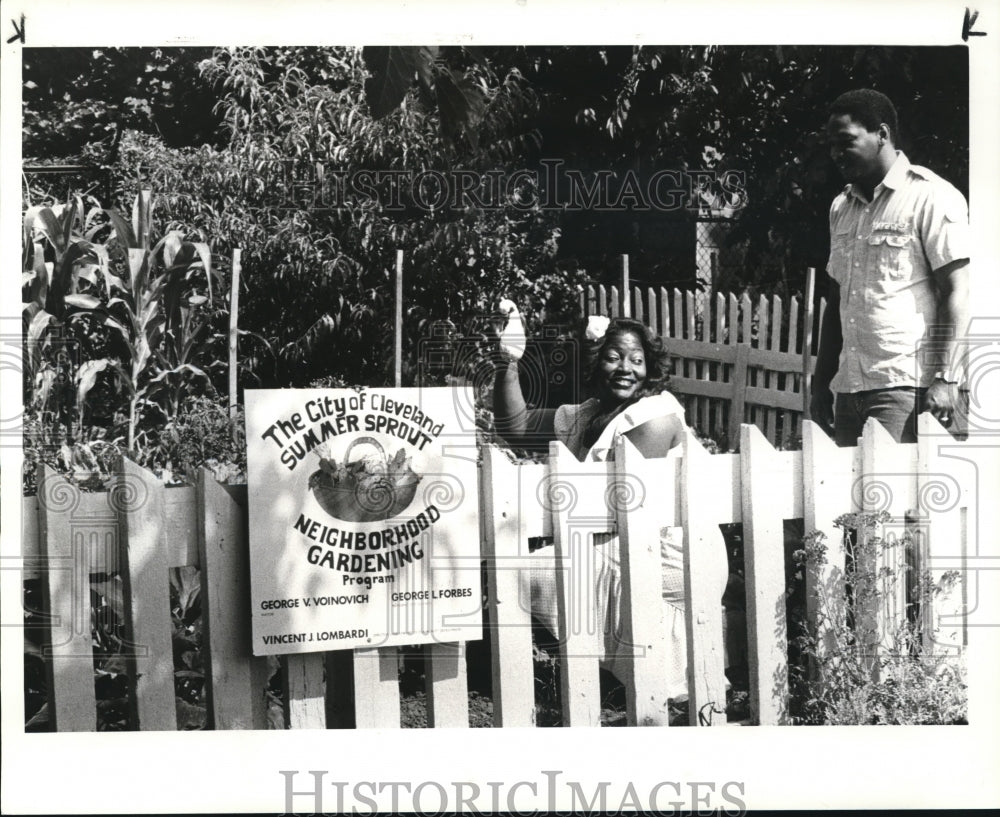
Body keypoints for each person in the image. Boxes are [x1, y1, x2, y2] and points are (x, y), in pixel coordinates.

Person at [491, 303, 729, 698]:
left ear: (651, 372)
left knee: (525, 569)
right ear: (595, 362)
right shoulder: (589, 413)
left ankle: (578, 674)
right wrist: (508, 363)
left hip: (675, 560)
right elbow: (513, 428)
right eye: (613, 357)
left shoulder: (654, 416)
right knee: (529, 566)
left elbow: (615, 510)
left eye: (637, 360)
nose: (625, 368)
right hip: (623, 546)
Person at [811, 89, 970, 446]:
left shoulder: (930, 196)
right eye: (831, 145)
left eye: (846, 142)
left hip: (906, 386)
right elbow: (838, 303)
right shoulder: (842, 207)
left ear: (882, 134)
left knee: (896, 498)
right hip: (852, 386)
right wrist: (821, 383)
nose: (836, 154)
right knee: (855, 498)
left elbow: (959, 291)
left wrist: (946, 378)